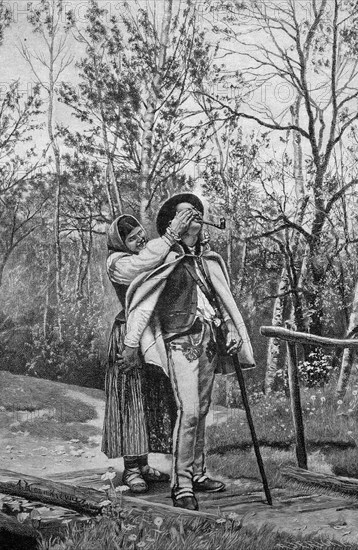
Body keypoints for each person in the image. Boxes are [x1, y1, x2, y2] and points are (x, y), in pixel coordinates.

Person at [121, 193, 256, 510]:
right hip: (179, 341)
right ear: (172, 223)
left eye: (198, 211)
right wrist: (131, 342)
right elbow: (142, 304)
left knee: (203, 410)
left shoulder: (208, 261)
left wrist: (233, 331)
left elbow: (222, 304)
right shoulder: (164, 257)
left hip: (209, 340)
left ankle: (197, 473)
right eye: (186, 212)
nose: (196, 214)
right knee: (190, 412)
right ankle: (181, 485)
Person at [101, 210, 194, 493]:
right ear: (120, 245)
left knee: (149, 397)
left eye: (140, 231)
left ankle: (142, 464)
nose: (140, 237)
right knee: (130, 400)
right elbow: (145, 261)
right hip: (128, 337)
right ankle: (130, 469)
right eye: (131, 238)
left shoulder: (146, 252)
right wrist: (170, 235)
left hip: (149, 334)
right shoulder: (117, 263)